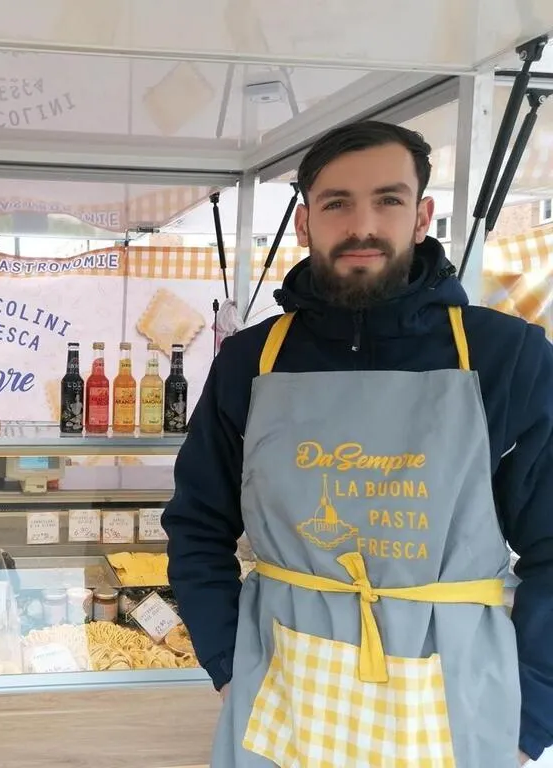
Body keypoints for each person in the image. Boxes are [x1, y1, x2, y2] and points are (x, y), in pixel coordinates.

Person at [162, 120, 553, 767]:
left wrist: (530, 717)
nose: (362, 224)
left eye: (388, 200)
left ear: (422, 215)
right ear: (305, 224)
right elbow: (196, 523)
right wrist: (230, 667)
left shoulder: (506, 357)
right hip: (282, 696)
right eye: (337, 202)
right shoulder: (252, 362)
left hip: (460, 705)